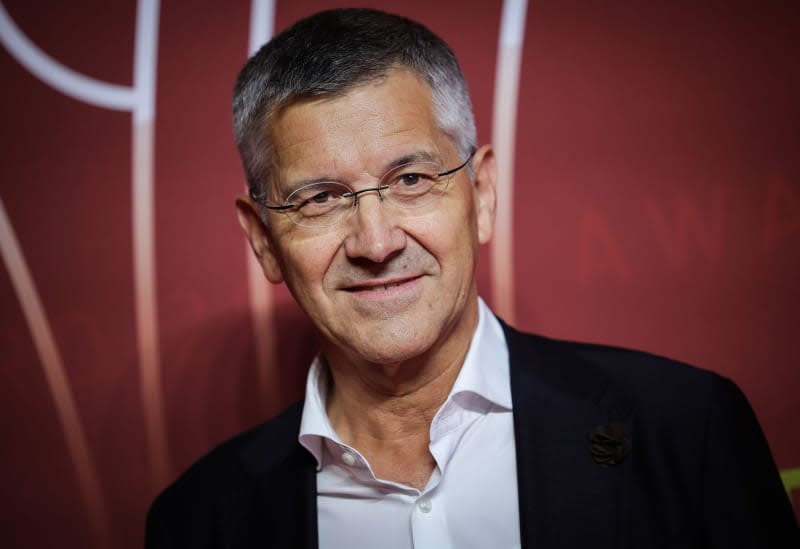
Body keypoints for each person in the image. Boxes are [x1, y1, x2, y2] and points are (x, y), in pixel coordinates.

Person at [145, 8, 798, 548]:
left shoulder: (686, 429)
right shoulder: (198, 523)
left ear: (480, 193)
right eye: (319, 197)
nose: (376, 242)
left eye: (410, 179)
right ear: (263, 239)